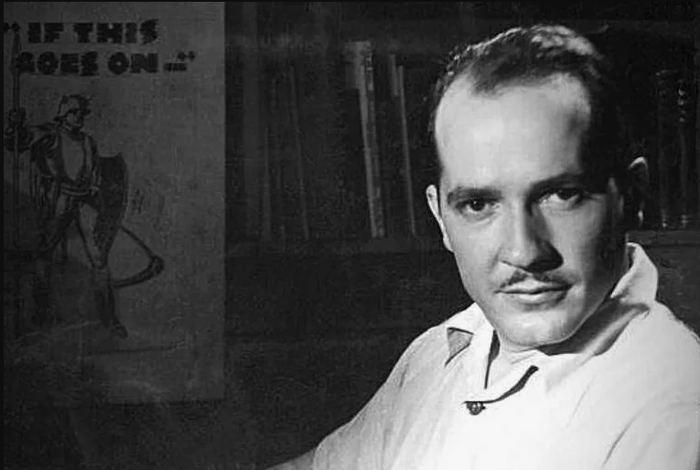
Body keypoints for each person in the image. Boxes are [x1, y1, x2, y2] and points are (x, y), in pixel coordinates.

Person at [268, 24, 700, 469]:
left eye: (561, 195)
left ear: (632, 198)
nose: (524, 251)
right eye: (478, 204)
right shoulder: (444, 349)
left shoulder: (672, 410)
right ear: (440, 218)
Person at [5, 94, 129, 338]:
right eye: (75, 112)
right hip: (59, 200)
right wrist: (15, 127)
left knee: (98, 257)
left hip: (83, 202)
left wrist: (95, 189)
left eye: (81, 113)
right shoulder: (49, 134)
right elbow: (17, 142)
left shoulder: (88, 141)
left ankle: (109, 318)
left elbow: (95, 172)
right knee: (44, 254)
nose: (79, 117)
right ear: (64, 114)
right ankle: (41, 313)